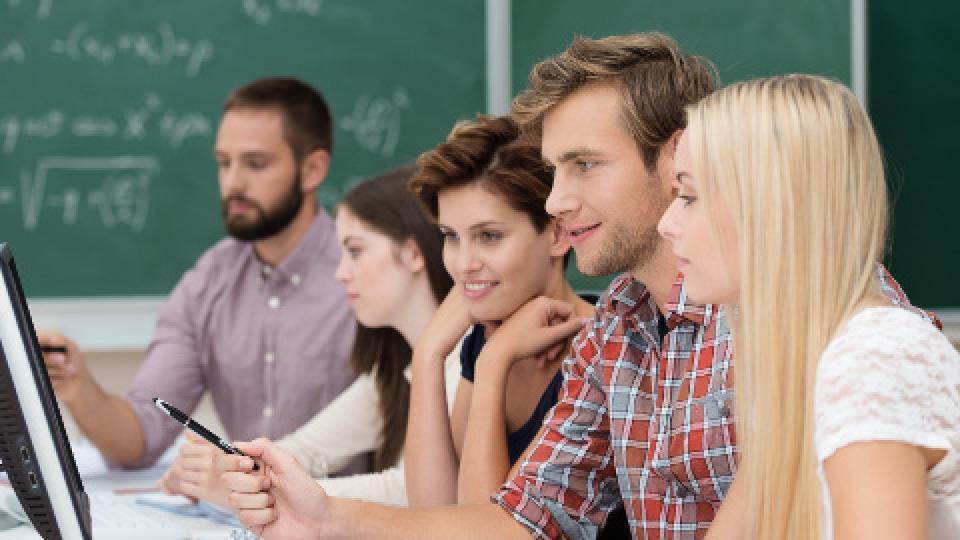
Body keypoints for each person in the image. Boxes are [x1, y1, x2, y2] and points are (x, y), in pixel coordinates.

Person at [216, 34, 925, 539]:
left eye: (584, 165)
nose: (555, 201)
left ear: (675, 152)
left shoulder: (826, 318)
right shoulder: (617, 323)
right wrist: (321, 517)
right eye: (554, 171)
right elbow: (521, 517)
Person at [658, 74, 957, 539]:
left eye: (689, 197)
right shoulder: (799, 365)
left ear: (770, 209)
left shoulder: (875, 357)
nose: (667, 223)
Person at [38, 76, 358, 471]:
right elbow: (141, 438)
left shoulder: (363, 272)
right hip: (243, 521)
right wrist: (78, 388)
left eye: (256, 164)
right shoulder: (210, 279)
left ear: (312, 170)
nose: (233, 183)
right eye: (224, 163)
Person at [159, 165, 459, 507]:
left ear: (413, 254)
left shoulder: (463, 362)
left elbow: (411, 493)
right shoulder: (395, 368)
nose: (341, 273)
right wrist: (230, 467)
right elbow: (306, 451)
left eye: (356, 251)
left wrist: (260, 490)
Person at [402, 114, 593, 507]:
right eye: (451, 237)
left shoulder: (601, 350)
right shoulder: (483, 338)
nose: (464, 263)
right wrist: (428, 354)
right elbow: (437, 514)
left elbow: (480, 525)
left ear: (557, 234)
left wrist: (495, 362)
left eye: (489, 236)